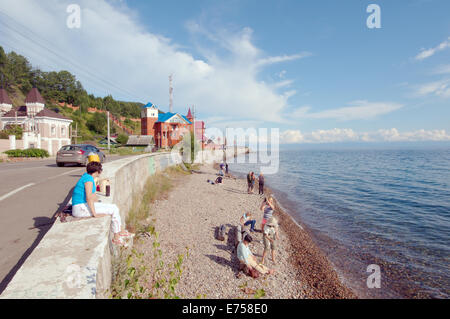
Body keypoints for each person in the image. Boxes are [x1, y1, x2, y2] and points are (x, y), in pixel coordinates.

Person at [71, 161, 131, 245]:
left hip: (81, 206)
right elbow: (89, 197)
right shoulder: (88, 179)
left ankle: (120, 231)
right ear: (96, 171)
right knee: (113, 209)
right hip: (80, 208)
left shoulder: (86, 176)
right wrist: (94, 214)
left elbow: (92, 197)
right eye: (100, 170)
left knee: (113, 207)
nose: (101, 171)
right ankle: (116, 238)